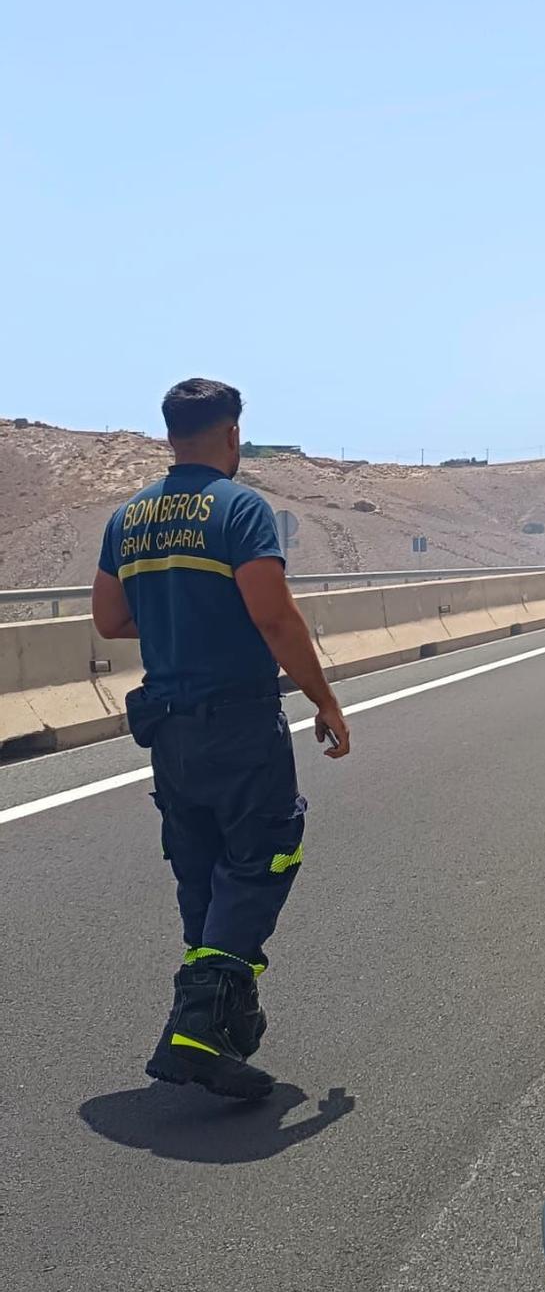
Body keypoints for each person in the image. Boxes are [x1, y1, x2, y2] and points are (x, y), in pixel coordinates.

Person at [92, 378, 351, 1101]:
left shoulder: (131, 518)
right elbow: (274, 619)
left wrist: (181, 616)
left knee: (201, 868)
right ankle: (203, 1023)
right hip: (236, 720)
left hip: (168, 731)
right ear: (232, 435)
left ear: (171, 434)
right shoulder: (240, 509)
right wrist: (324, 699)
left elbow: (110, 618)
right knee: (267, 850)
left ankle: (208, 1016)